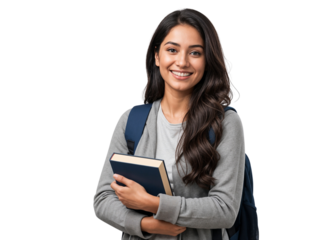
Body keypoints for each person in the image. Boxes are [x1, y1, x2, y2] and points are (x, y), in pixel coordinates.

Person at [93, 5, 244, 240]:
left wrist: (154, 204)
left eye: (195, 52)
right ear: (156, 55)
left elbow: (224, 209)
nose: (182, 62)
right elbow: (102, 200)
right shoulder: (131, 120)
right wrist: (145, 224)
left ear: (207, 60)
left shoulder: (226, 123)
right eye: (172, 50)